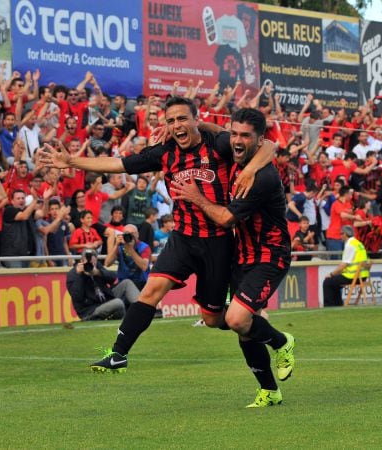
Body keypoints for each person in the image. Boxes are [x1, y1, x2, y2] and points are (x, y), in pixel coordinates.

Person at [40, 96, 274, 376]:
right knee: (151, 290)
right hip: (183, 239)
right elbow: (117, 164)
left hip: (218, 243)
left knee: (212, 319)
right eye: (171, 120)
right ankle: (118, 354)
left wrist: (249, 170)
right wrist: (71, 162)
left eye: (183, 118)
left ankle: (258, 328)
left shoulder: (219, 144)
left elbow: (269, 146)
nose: (177, 125)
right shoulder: (164, 153)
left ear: (195, 120)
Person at [170, 107, 295, 408]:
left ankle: (282, 342)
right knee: (219, 320)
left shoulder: (261, 177)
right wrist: (192, 123)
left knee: (238, 319)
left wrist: (196, 197)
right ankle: (269, 391)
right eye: (234, 133)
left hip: (270, 254)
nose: (237, 140)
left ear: (258, 140)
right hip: (243, 253)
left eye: (245, 136)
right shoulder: (236, 154)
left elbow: (226, 218)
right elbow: (217, 132)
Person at [67, 248, 141, 321]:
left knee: (126, 283)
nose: (90, 265)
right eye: (88, 263)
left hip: (104, 301)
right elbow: (77, 297)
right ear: (81, 261)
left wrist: (98, 272)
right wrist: (79, 275)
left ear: (96, 260)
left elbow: (113, 278)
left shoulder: (97, 267)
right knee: (118, 303)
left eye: (93, 263)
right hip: (90, 310)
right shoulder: (73, 274)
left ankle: (143, 309)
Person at [322, 226, 371, 307]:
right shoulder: (359, 243)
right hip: (363, 276)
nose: (340, 236)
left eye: (341, 234)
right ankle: (338, 304)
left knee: (327, 282)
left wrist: (331, 274)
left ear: (345, 234)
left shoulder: (350, 245)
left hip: (353, 276)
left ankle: (329, 306)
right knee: (334, 281)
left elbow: (343, 265)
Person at [104, 224, 151, 290]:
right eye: (127, 234)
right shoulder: (120, 247)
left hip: (140, 283)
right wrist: (116, 244)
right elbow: (107, 263)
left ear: (137, 234)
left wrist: (130, 249)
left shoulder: (144, 247)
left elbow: (144, 266)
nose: (130, 236)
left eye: (132, 233)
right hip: (123, 282)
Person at [0, 189, 39, 268]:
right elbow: (23, 216)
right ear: (12, 201)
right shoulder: (9, 210)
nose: (21, 200)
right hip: (12, 255)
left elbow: (42, 213)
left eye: (23, 198)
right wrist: (35, 200)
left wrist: (46, 199)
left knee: (25, 280)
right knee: (16, 279)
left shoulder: (27, 211)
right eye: (18, 198)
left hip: (26, 254)